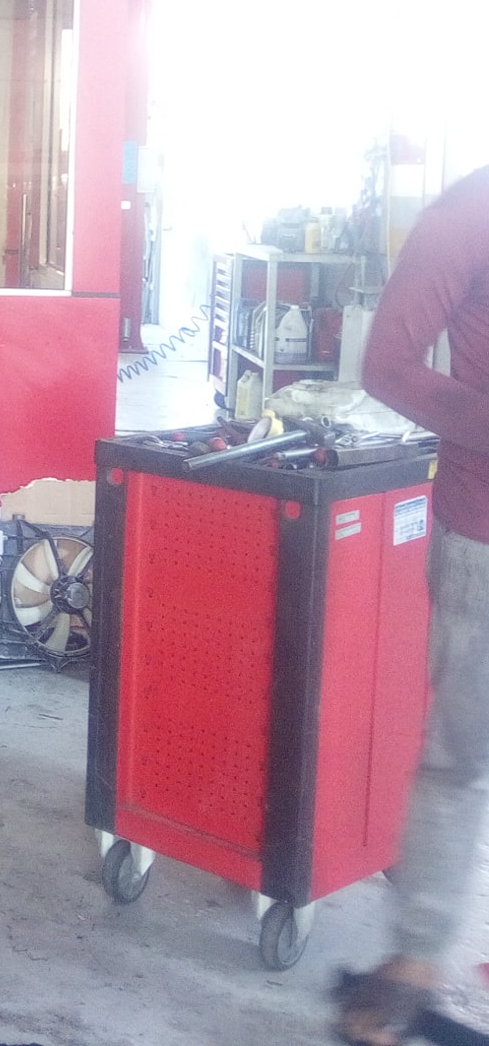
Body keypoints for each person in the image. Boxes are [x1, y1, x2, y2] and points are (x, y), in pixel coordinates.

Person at [336, 165, 489, 1046]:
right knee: (461, 762)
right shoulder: (468, 213)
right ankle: (416, 966)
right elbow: (388, 365)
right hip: (485, 540)